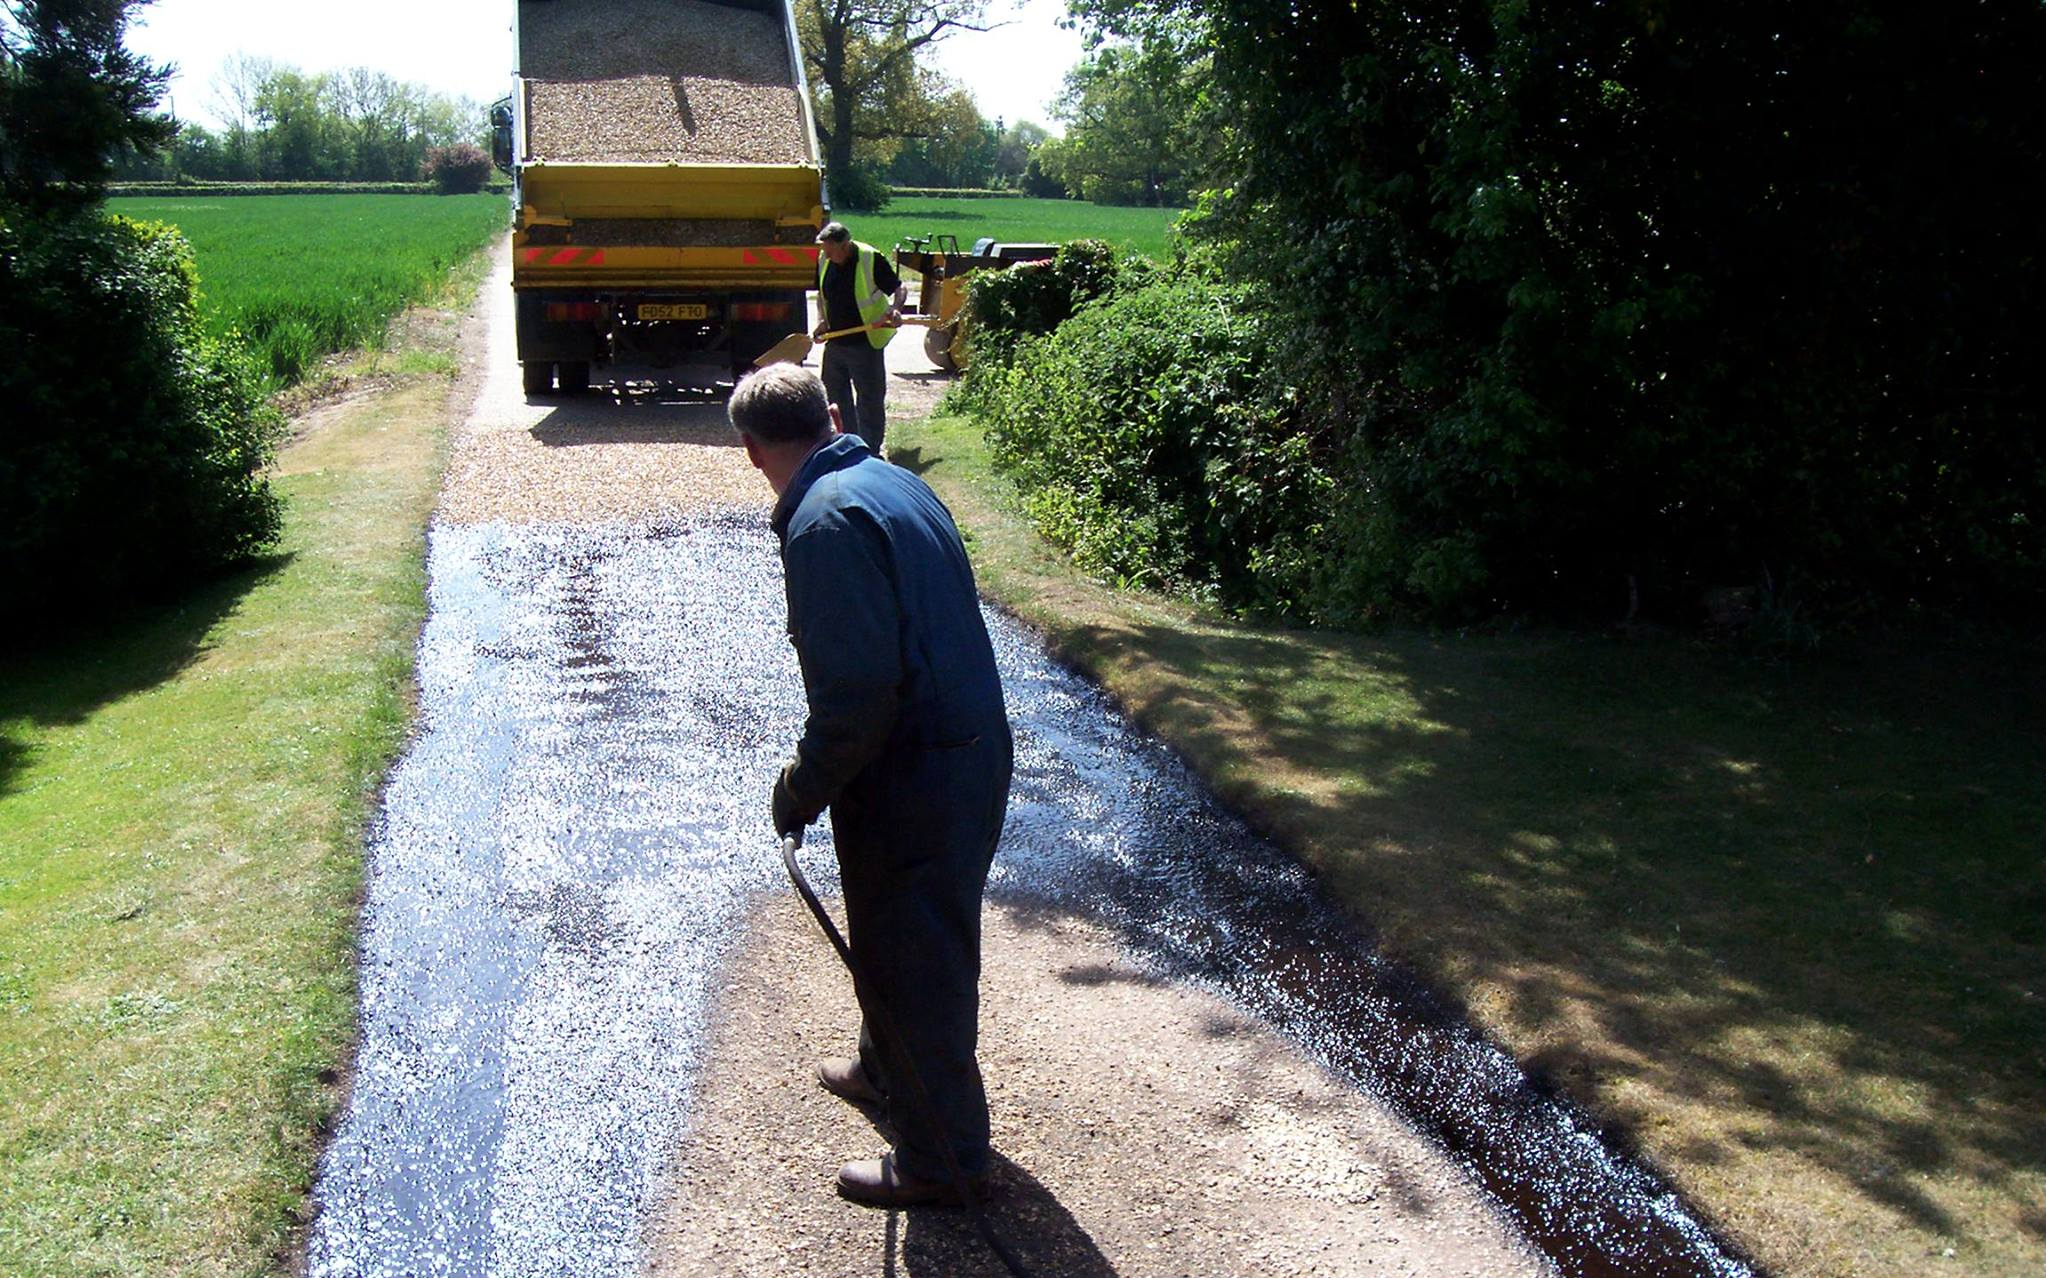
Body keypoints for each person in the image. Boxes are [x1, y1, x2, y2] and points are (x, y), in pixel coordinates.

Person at [728, 362, 1013, 1208]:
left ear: (751, 452)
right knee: (894, 933)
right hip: (960, 748)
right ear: (833, 412)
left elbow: (855, 701)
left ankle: (947, 1160)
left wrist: (797, 790)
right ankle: (885, 1069)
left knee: (919, 957)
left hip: (918, 767)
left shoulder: (821, 526)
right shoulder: (890, 480)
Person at [812, 220, 903, 456]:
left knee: (869, 398)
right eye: (825, 251)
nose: (827, 256)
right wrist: (822, 320)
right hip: (836, 340)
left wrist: (895, 309)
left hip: (866, 341)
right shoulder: (824, 259)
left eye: (830, 250)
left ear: (844, 245)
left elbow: (898, 288)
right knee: (835, 394)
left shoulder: (869, 258)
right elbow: (821, 296)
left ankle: (870, 449)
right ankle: (849, 443)